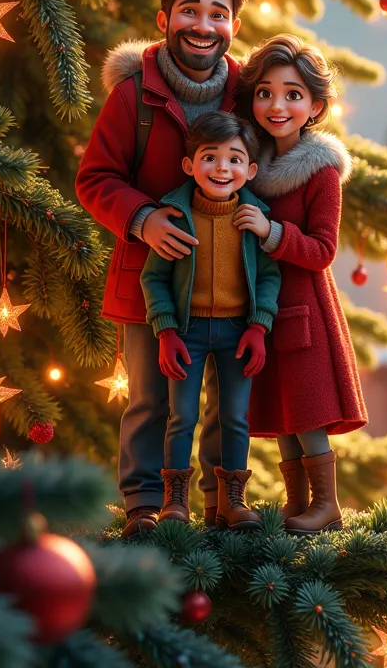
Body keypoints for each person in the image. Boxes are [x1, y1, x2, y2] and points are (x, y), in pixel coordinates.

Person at [75, 0, 252, 538]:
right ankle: (145, 507)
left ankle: (217, 503)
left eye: (218, 14)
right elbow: (95, 179)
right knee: (150, 400)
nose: (203, 26)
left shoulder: (248, 96)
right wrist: (144, 218)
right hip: (150, 283)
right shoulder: (134, 96)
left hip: (229, 281)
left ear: (233, 26)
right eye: (190, 11)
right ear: (165, 20)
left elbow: (275, 159)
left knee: (221, 405)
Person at [234, 34, 367, 535]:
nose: (277, 105)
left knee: (307, 410)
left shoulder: (321, 172)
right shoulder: (248, 163)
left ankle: (326, 503)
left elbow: (323, 251)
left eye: (293, 94)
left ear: (315, 105)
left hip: (304, 308)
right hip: (261, 308)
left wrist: (271, 233)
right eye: (265, 92)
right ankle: (297, 504)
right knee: (282, 409)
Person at [141, 111, 280, 529]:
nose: (223, 168)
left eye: (235, 159)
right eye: (210, 157)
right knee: (182, 416)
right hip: (188, 332)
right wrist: (165, 331)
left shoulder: (254, 220)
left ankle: (231, 500)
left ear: (250, 170)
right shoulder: (176, 216)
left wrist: (259, 326)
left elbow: (270, 276)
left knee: (235, 417)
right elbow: (154, 277)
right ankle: (175, 500)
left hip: (238, 332)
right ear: (189, 165)